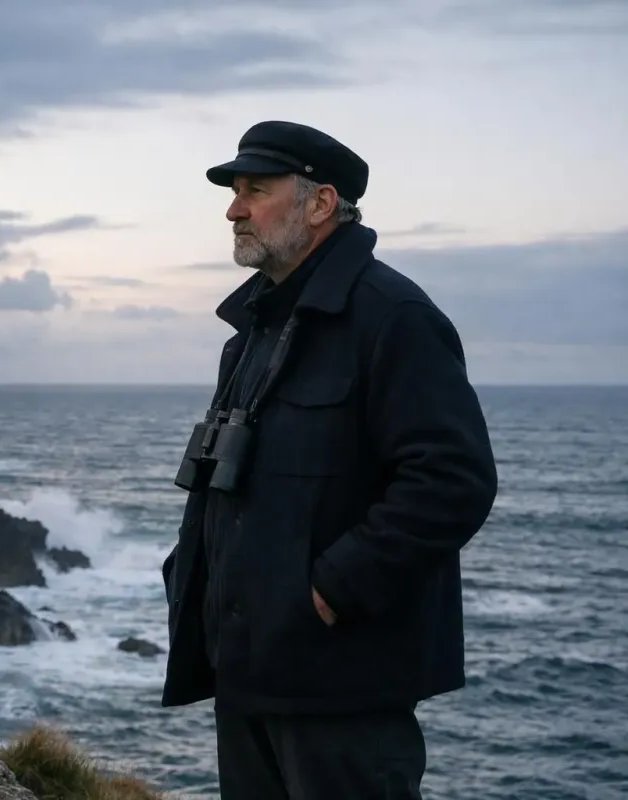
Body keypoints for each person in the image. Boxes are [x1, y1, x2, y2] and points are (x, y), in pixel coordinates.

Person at [160, 120, 499, 799]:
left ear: (319, 205)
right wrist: (192, 580)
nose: (234, 208)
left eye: (257, 190)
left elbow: (453, 480)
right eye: (234, 191)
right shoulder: (257, 328)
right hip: (249, 675)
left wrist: (329, 592)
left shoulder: (391, 316)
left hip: (341, 690)